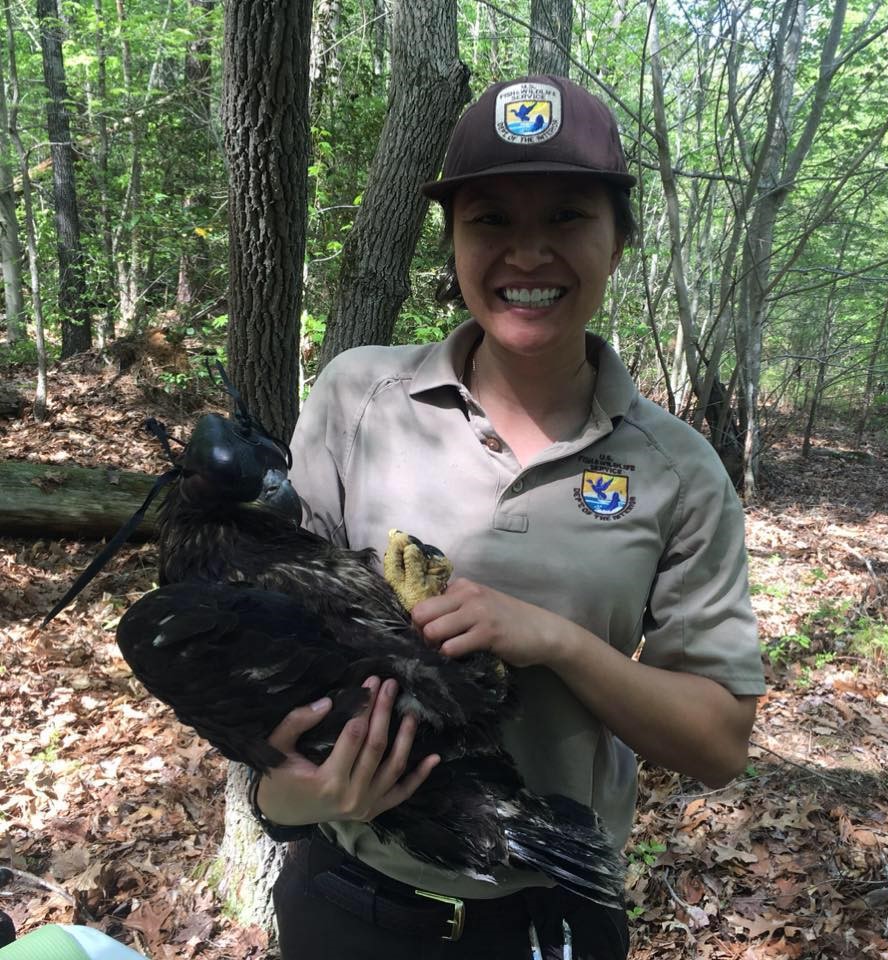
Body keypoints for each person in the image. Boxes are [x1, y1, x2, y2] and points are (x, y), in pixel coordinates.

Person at [252, 74, 766, 959]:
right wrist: (297, 797)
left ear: (618, 242)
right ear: (452, 242)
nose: (527, 254)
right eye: (490, 220)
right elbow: (266, 651)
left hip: (550, 913)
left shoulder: (676, 468)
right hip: (347, 900)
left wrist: (556, 639)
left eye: (567, 217)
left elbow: (717, 743)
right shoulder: (358, 397)